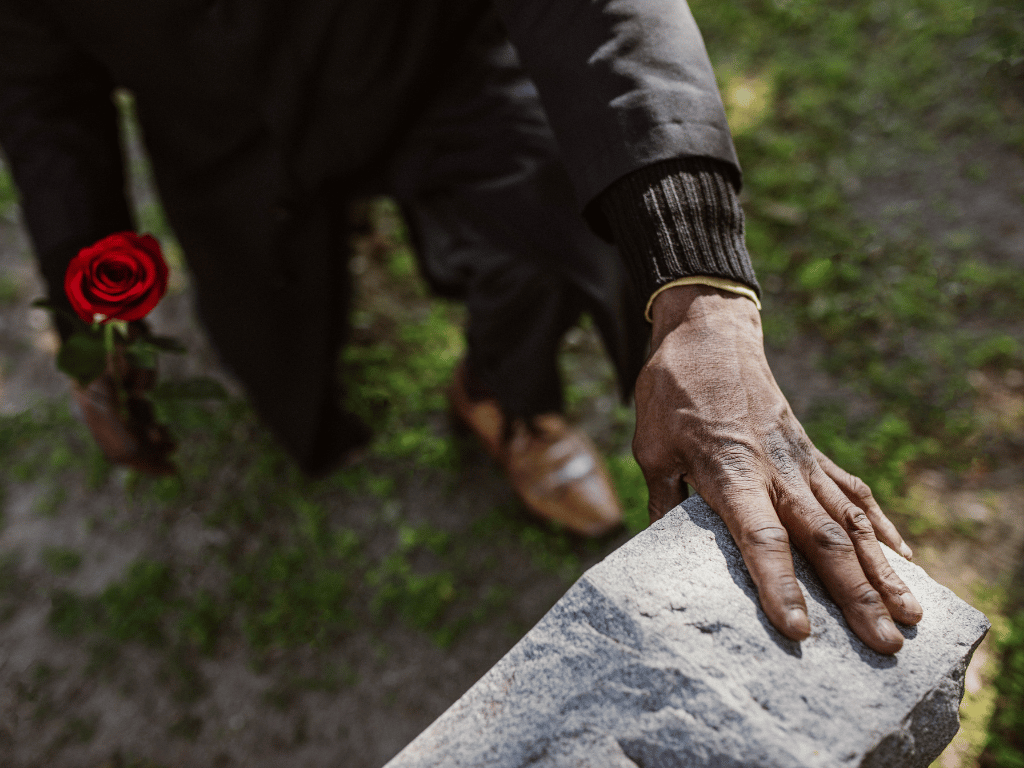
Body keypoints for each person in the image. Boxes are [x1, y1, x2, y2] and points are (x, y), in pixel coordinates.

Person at [0, 0, 923, 654]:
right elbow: (45, 101)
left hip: (423, 56)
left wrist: (704, 291)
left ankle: (504, 398)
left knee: (551, 226)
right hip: (223, 133)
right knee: (268, 347)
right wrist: (95, 316)